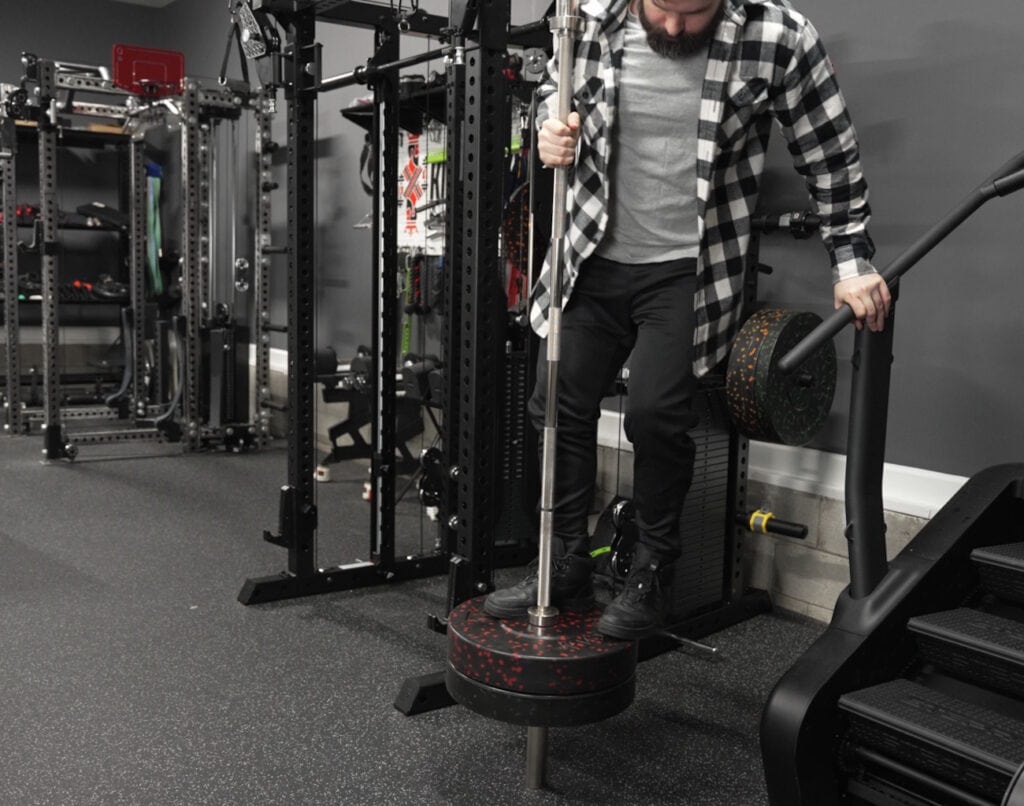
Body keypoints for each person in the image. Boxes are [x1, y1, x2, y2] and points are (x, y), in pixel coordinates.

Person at [484, 0, 891, 639]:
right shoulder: (587, 16)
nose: (675, 28)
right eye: (663, 10)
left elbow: (829, 150)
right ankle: (563, 563)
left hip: (689, 268)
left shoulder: (779, 35)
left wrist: (851, 259)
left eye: (694, 13)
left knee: (655, 413)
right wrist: (547, 128)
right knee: (555, 405)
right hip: (590, 254)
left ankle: (650, 571)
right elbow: (550, 91)